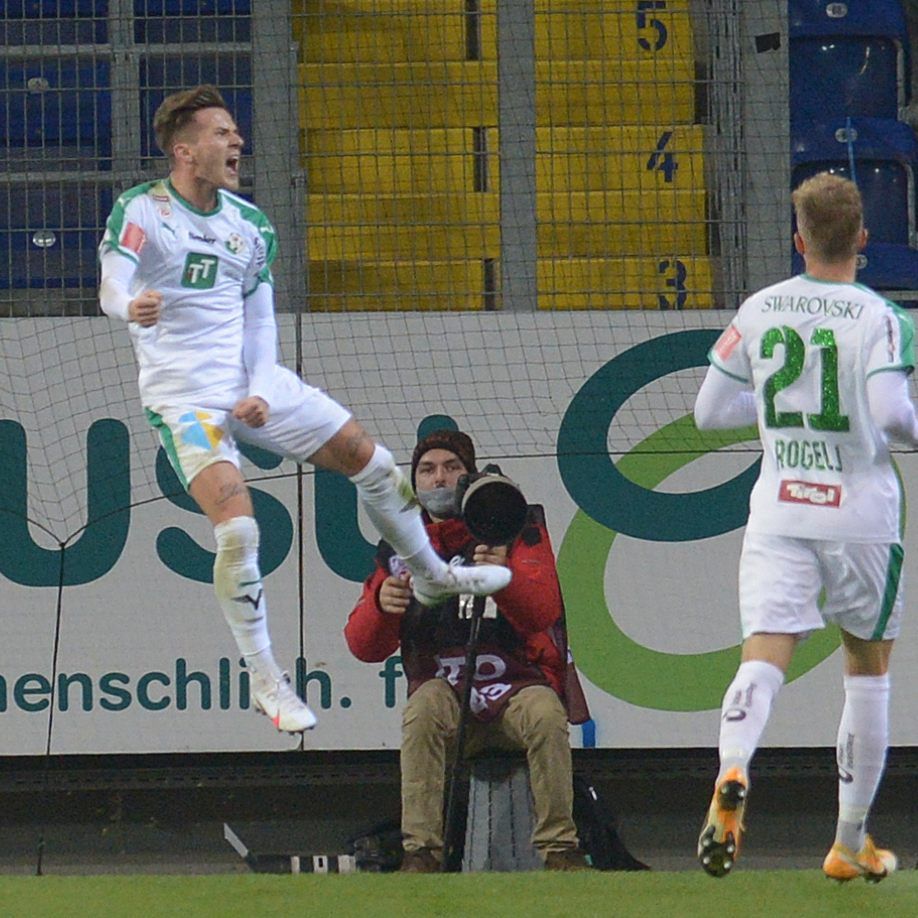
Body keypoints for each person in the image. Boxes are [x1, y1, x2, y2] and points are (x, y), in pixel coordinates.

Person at [97, 85, 510, 735]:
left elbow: (262, 323)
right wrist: (130, 306)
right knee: (239, 531)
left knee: (375, 464)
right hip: (186, 400)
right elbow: (112, 283)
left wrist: (262, 387)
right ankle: (266, 679)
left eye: (235, 131)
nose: (236, 140)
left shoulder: (249, 226)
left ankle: (431, 575)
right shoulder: (143, 209)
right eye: (221, 133)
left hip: (252, 383)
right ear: (184, 151)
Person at [693, 172, 917, 882]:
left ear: (798, 240)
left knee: (762, 654)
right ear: (863, 239)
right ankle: (849, 842)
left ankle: (734, 767)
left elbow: (708, 413)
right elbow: (891, 415)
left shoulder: (760, 308)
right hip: (860, 517)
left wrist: (774, 414)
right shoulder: (882, 317)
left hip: (781, 508)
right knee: (867, 672)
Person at [344, 428, 588, 873]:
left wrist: (505, 580)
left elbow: (543, 611)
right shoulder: (400, 544)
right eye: (427, 470)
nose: (439, 478)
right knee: (422, 710)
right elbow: (364, 647)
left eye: (451, 467)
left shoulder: (514, 525)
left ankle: (560, 850)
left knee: (545, 713)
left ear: (470, 476)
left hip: (517, 690)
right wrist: (381, 606)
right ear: (414, 483)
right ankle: (421, 852)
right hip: (448, 698)